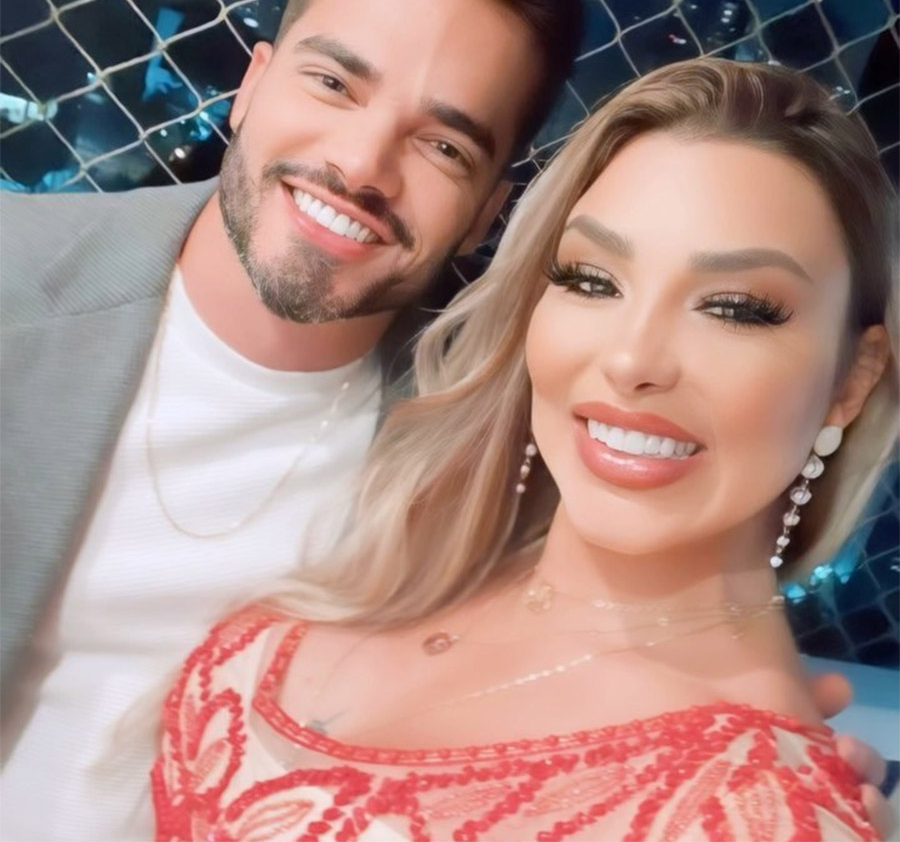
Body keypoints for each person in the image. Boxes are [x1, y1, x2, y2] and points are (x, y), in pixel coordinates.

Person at [152, 59, 898, 842]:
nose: (631, 359)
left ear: (852, 379)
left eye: (735, 308)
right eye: (592, 280)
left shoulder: (763, 815)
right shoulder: (403, 561)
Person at [0, 0, 582, 841]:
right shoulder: (17, 282)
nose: (360, 165)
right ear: (251, 86)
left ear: (488, 213)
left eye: (442, 145)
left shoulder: (475, 461)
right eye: (334, 83)